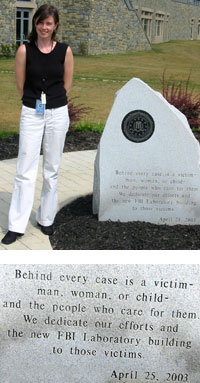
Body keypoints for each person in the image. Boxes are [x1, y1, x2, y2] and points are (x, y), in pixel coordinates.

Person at [1, 4, 74, 245]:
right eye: (41, 22)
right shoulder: (24, 50)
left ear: (56, 26)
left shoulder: (65, 51)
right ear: (35, 24)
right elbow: (21, 85)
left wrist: (52, 103)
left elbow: (66, 84)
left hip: (57, 113)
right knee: (25, 169)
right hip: (32, 113)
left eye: (49, 23)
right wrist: (35, 103)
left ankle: (46, 219)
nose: (44, 27)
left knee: (51, 169)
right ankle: (16, 225)